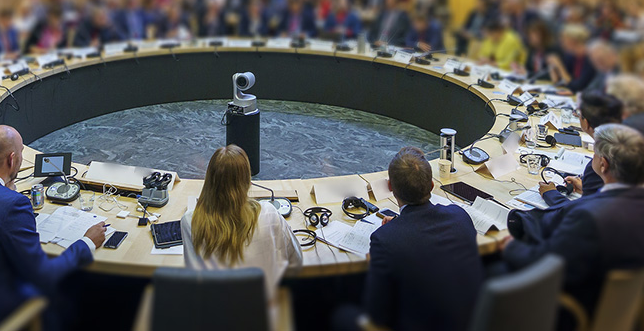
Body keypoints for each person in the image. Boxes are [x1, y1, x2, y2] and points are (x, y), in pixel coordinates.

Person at [0, 125, 107, 330]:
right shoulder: (13, 204)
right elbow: (44, 276)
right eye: (21, 153)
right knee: (71, 293)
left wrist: (5, 189)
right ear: (12, 159)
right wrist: (86, 243)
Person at [503, 124, 644, 321]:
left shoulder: (588, 217)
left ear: (603, 164)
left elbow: (543, 266)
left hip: (578, 311)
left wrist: (510, 247)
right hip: (624, 312)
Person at [335, 147, 483, 331]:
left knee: (342, 315)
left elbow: (378, 315)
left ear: (390, 187)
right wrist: (401, 228)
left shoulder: (385, 240)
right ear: (431, 186)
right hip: (469, 323)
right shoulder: (459, 216)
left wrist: (373, 264)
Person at [181, 145, 302, 304]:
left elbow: (194, 278)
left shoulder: (190, 221)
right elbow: (296, 263)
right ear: (248, 182)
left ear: (209, 179)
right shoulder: (268, 213)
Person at [539, 92, 622, 206]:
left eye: (579, 114)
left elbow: (582, 215)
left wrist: (551, 194)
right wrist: (587, 188)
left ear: (586, 123)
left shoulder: (603, 159)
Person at [548, 24, 597, 93]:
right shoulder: (571, 56)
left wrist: (559, 66)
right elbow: (558, 81)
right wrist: (553, 67)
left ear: (573, 41)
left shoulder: (590, 58)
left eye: (563, 39)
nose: (561, 42)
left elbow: (577, 86)